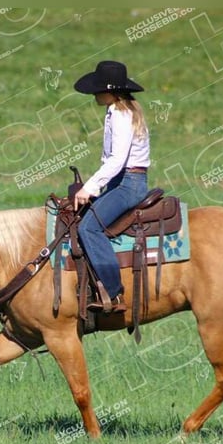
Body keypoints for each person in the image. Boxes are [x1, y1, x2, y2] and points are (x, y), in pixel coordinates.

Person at [72, 60, 150, 313]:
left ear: (110, 91)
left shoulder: (121, 115)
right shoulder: (118, 111)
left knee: (89, 227)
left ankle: (114, 294)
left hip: (129, 184)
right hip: (122, 180)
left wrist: (89, 188)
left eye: (98, 89)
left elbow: (117, 160)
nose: (94, 93)